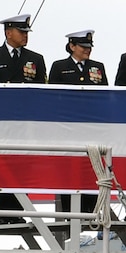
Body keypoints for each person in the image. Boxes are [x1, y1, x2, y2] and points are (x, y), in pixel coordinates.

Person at [0, 14, 48, 225]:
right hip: (0, 122)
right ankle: (2, 213)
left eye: (27, 32)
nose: (25, 36)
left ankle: (19, 211)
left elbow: (40, 93)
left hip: (24, 122)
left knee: (22, 165)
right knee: (1, 165)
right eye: (21, 32)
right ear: (9, 33)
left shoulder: (36, 59)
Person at [49, 28, 109, 224]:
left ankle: (92, 211)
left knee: (91, 169)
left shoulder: (98, 67)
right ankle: (68, 213)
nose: (87, 50)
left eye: (89, 46)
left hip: (92, 127)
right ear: (72, 46)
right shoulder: (59, 67)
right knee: (69, 169)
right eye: (83, 46)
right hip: (68, 128)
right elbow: (54, 97)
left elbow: (104, 96)